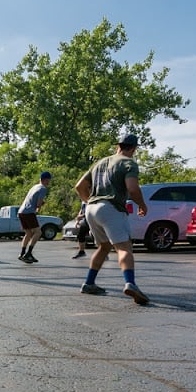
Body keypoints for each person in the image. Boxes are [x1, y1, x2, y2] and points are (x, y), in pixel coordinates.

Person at [75, 131, 149, 305]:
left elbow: (79, 186)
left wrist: (90, 202)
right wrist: (142, 205)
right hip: (111, 208)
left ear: (118, 146)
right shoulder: (129, 163)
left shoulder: (100, 162)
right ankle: (130, 283)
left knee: (104, 246)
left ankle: (89, 283)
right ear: (134, 148)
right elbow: (132, 189)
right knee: (124, 248)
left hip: (91, 208)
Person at [17, 172, 51, 263]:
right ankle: (28, 253)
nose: (49, 182)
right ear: (45, 179)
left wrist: (38, 204)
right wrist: (38, 208)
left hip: (21, 211)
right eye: (48, 180)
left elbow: (30, 199)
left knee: (28, 233)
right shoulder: (43, 188)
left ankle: (22, 253)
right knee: (38, 232)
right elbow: (38, 203)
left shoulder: (34, 186)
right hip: (29, 212)